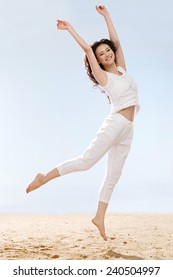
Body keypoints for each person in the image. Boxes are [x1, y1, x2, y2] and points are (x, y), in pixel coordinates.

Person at [26, 5, 140, 241]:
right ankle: (43, 177)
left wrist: (107, 16)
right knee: (86, 162)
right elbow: (88, 49)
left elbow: (116, 41)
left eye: (109, 51)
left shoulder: (122, 70)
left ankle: (99, 217)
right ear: (98, 61)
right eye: (102, 54)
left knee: (113, 176)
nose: (107, 54)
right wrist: (70, 29)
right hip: (115, 123)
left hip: (128, 129)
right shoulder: (104, 77)